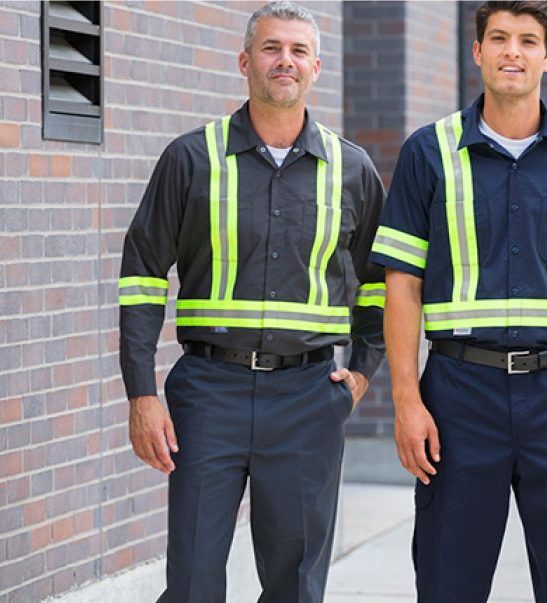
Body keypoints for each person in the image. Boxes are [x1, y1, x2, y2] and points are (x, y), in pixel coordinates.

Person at [370, 2, 547, 602]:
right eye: (498, 38)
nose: (511, 51)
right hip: (459, 398)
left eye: (526, 40)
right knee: (449, 585)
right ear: (477, 51)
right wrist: (407, 400)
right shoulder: (428, 152)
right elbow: (402, 285)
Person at [118, 3, 385, 601]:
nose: (283, 61)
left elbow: (378, 283)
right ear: (244, 62)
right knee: (191, 579)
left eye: (296, 51)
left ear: (316, 66)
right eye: (270, 48)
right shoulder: (191, 159)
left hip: (309, 398)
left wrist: (362, 373)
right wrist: (141, 393)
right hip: (209, 393)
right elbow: (141, 276)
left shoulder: (353, 169)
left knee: (294, 583)